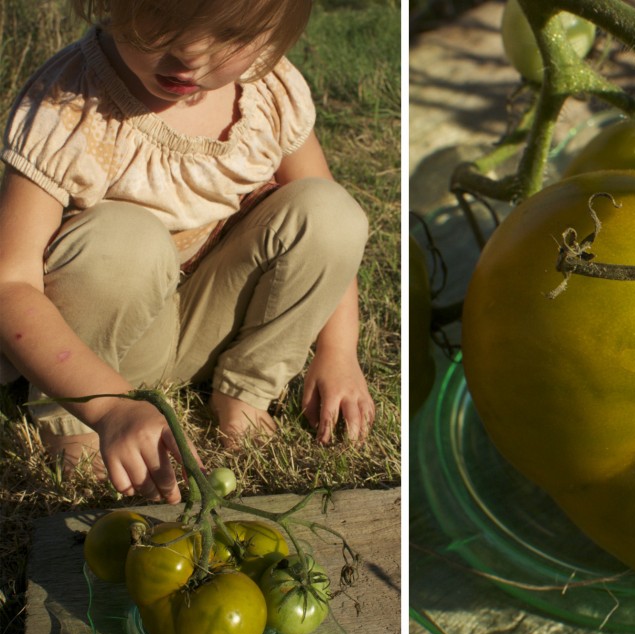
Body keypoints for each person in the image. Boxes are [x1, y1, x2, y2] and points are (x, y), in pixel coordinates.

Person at [0, 0, 375, 504]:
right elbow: (10, 283)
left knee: (330, 209)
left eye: (232, 35)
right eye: (159, 22)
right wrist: (107, 406)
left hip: (209, 323)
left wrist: (338, 352)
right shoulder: (68, 104)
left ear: (272, 34)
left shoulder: (267, 92)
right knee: (122, 237)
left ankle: (243, 390)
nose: (190, 56)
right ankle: (73, 420)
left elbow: (328, 225)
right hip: (110, 344)